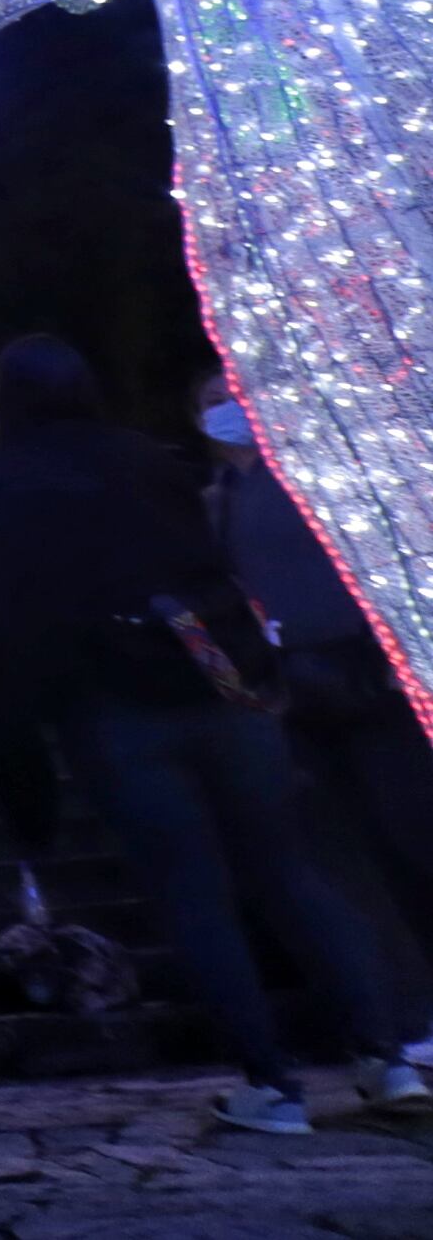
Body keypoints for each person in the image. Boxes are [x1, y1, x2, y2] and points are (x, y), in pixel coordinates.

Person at [0, 333, 426, 1136]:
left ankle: (272, 1083)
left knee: (192, 894)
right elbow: (206, 569)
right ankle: (384, 1056)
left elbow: (4, 633)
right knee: (292, 871)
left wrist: (20, 763)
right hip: (214, 681)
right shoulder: (144, 459)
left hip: (105, 706)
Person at [200, 365, 433, 962]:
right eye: (213, 400)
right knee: (372, 844)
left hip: (363, 668)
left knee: (410, 831)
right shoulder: (220, 498)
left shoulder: (308, 474)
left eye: (233, 394)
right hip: (300, 685)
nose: (227, 405)